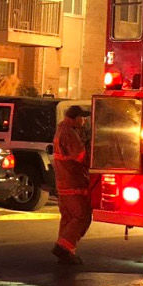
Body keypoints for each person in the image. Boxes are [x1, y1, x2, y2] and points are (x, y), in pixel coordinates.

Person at [52, 104, 92, 265]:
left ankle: (66, 250)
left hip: (64, 182)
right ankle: (64, 247)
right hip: (73, 181)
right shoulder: (69, 133)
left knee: (68, 218)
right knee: (82, 216)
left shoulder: (62, 130)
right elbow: (81, 156)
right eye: (82, 118)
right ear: (74, 118)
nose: (84, 121)